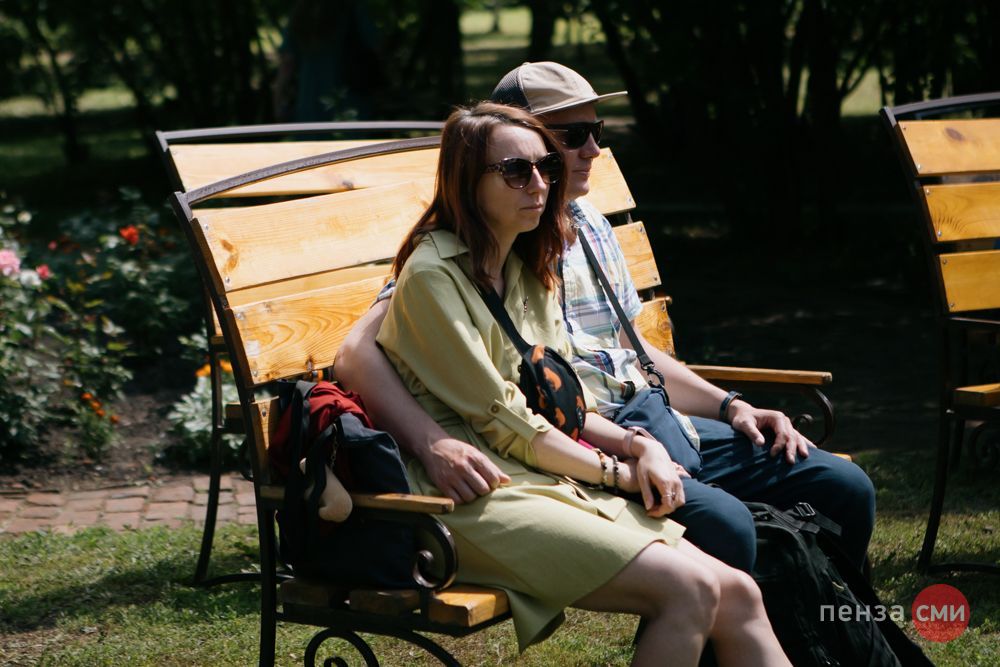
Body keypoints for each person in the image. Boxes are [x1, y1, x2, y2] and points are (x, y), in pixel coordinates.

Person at [337, 62, 876, 573]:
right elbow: (356, 352)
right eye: (572, 137)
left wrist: (733, 406)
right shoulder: (483, 247)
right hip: (583, 437)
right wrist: (430, 442)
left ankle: (828, 623)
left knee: (844, 486)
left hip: (654, 417)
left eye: (596, 131)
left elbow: (633, 351)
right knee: (726, 526)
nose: (593, 149)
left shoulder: (586, 224)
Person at [375, 101, 789, 666]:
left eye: (546, 166)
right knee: (689, 589)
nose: (540, 183)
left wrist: (640, 445)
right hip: (472, 490)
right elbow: (509, 423)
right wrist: (618, 472)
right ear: (468, 183)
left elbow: (564, 404)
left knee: (738, 593)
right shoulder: (431, 276)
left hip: (543, 472)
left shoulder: (523, 267)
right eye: (516, 171)